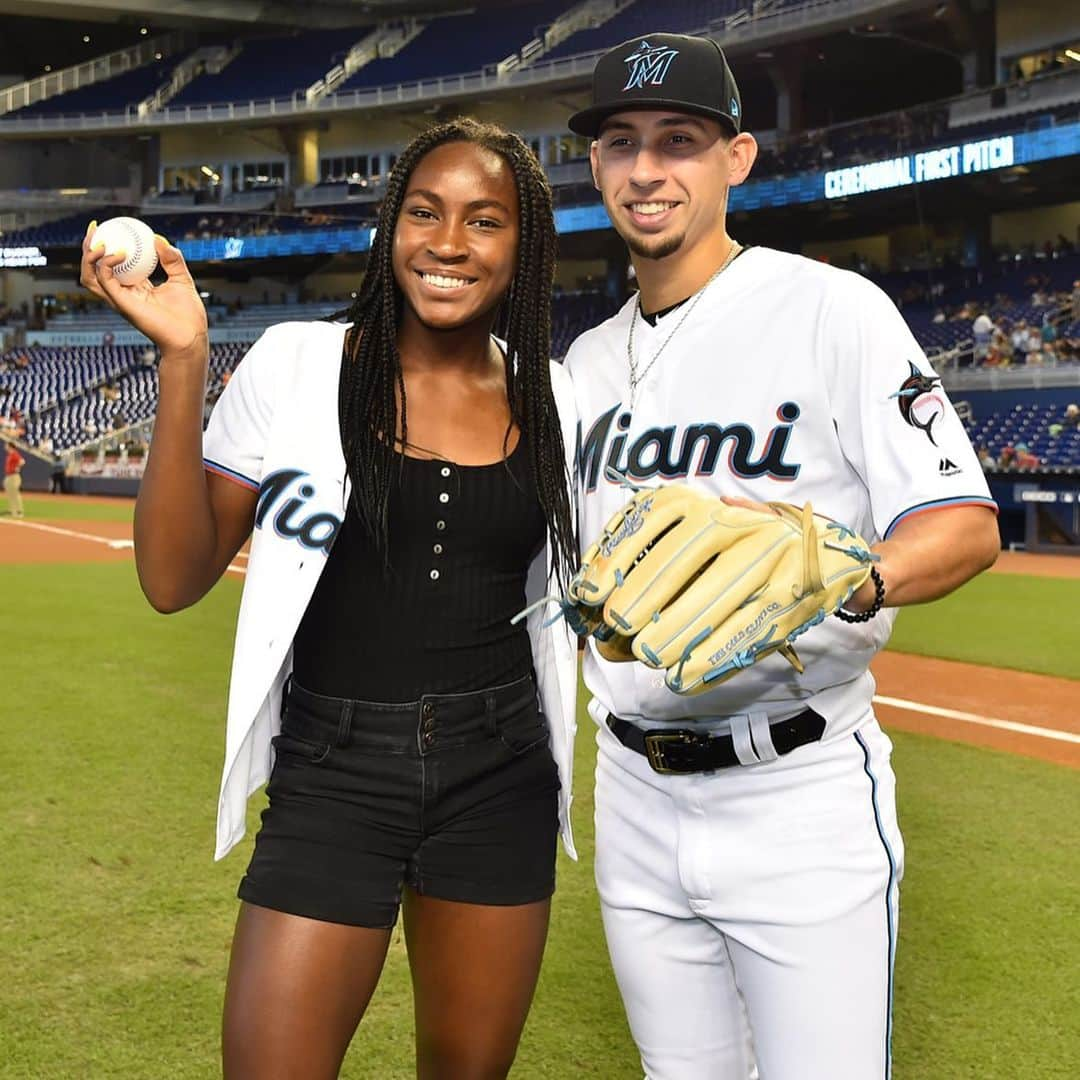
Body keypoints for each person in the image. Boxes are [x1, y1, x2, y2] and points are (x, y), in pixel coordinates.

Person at [79, 118, 580, 1080]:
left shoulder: (556, 398)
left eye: (485, 221)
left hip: (501, 773)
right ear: (392, 225)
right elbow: (172, 578)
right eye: (425, 213)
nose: (447, 244)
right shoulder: (298, 363)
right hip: (333, 771)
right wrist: (184, 359)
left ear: (524, 248)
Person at [562, 33, 1000, 1080]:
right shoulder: (582, 364)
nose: (647, 169)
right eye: (621, 143)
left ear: (737, 159)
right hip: (632, 791)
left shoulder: (831, 310)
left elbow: (965, 523)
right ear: (594, 167)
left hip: (795, 794)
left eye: (680, 141)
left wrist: (853, 584)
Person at [3, 440, 24, 517]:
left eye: (6, 445)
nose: (5, 446)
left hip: (14, 476)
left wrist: (17, 467)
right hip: (9, 476)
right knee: (10, 494)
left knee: (15, 493)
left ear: (10, 446)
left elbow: (22, 461)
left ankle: (19, 511)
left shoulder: (15, 454)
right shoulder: (10, 455)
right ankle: (12, 511)